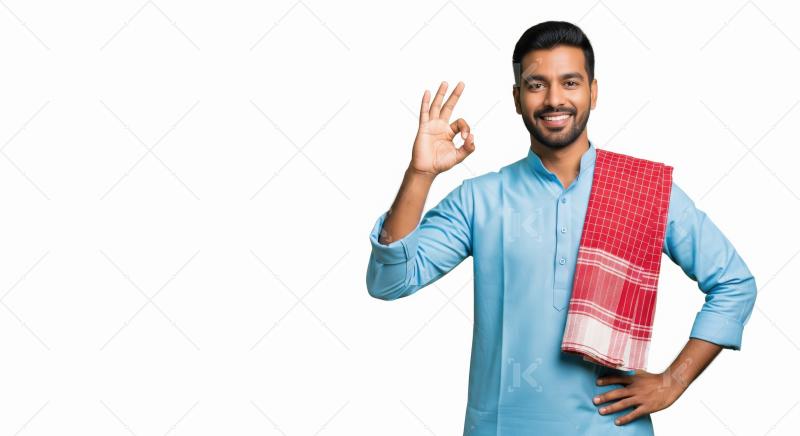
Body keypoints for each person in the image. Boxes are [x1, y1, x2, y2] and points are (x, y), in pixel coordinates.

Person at [365, 21, 757, 435]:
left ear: (593, 91)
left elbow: (734, 283)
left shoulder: (642, 190)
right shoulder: (481, 198)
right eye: (537, 84)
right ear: (517, 99)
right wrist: (420, 174)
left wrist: (673, 381)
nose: (554, 99)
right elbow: (390, 281)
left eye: (570, 82)